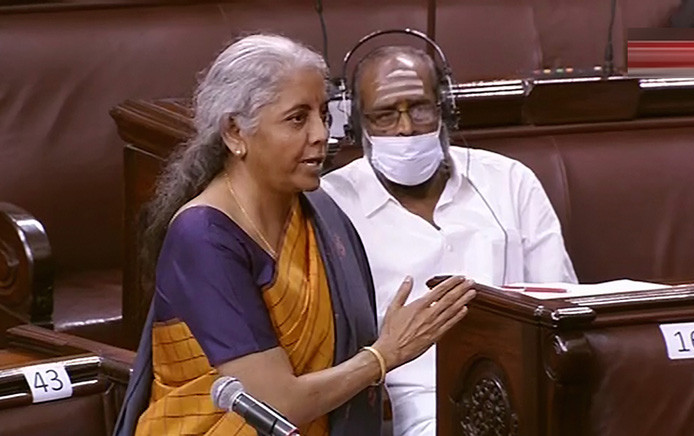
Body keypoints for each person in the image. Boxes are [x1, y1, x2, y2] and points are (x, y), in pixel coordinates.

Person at [112, 34, 475, 436]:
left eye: (323, 113)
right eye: (297, 118)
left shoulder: (323, 216)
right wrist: (386, 354)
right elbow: (274, 404)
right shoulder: (203, 237)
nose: (322, 134)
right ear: (235, 132)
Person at [321, 45, 577, 436]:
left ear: (445, 109)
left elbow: (562, 305)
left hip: (526, 395)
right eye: (385, 115)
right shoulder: (332, 203)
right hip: (409, 409)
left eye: (419, 108)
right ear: (358, 124)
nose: (405, 128)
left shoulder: (510, 181)